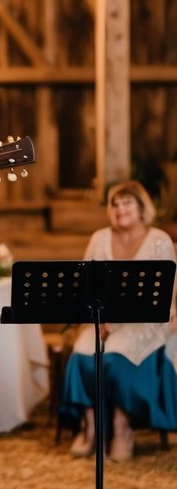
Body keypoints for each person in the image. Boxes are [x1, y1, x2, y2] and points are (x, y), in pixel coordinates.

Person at [60, 180, 177, 462]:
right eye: (115, 203)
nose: (120, 209)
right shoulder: (99, 237)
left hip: (145, 322)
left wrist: (121, 320)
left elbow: (166, 295)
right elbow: (86, 285)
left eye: (127, 202)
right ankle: (92, 428)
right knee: (82, 354)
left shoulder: (159, 239)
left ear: (141, 208)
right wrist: (99, 320)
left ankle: (121, 427)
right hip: (103, 319)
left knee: (113, 357)